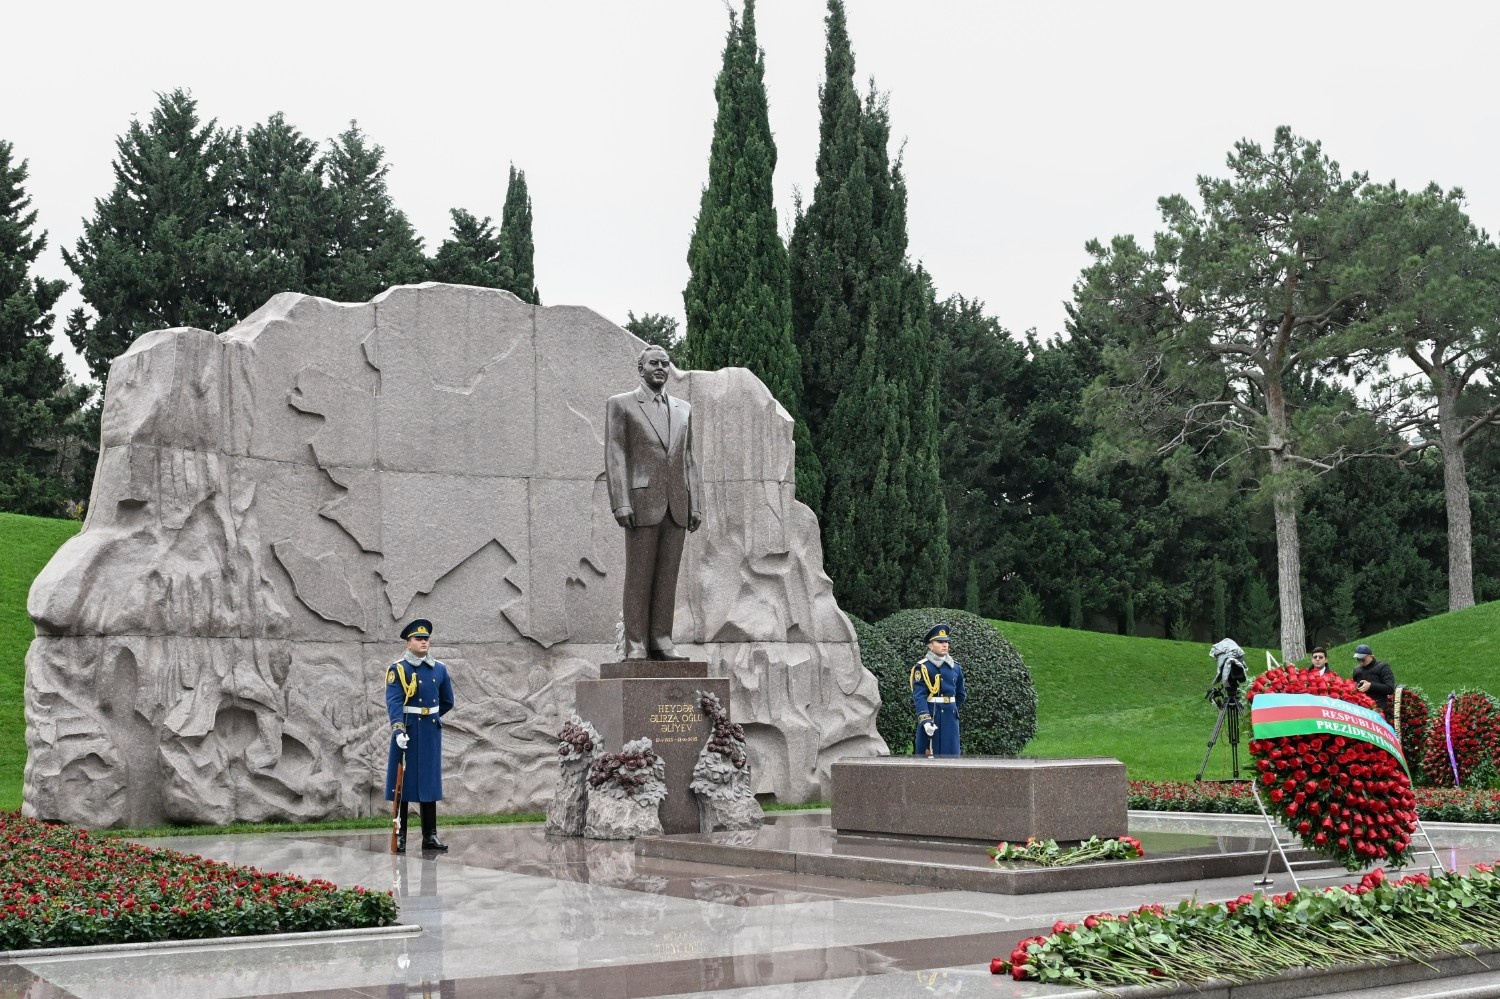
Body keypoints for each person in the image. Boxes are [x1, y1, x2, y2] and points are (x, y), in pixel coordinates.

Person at [605, 345, 702, 660]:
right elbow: (616, 453)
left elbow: (688, 459)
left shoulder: (683, 409)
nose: (661, 367)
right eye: (654, 363)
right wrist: (620, 501)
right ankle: (635, 643)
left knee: (667, 577)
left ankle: (662, 639)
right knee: (639, 576)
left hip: (677, 504)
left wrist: (696, 504)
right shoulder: (621, 404)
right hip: (641, 503)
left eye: (665, 363)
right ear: (641, 369)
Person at [386, 619, 456, 853]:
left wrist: (430, 716)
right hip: (407, 731)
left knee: (429, 783)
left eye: (426, 639)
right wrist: (398, 729)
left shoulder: (439, 669)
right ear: (409, 643)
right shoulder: (398, 669)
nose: (424, 642)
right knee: (403, 786)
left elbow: (447, 701)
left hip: (429, 732)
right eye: (419, 639)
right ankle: (401, 835)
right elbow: (394, 701)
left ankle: (430, 835)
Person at [910, 623, 966, 756]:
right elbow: (919, 696)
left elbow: (961, 695)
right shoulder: (923, 667)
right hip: (932, 717)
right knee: (928, 757)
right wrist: (925, 720)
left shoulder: (955, 667)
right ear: (930, 645)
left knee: (952, 756)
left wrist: (950, 707)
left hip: (950, 718)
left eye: (946, 642)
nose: (945, 645)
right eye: (940, 642)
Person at [1351, 643, 1396, 719]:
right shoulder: (1357, 670)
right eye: (1358, 659)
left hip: (1380, 707)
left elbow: (1390, 688)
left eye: (1363, 659)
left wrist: (1371, 686)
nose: (1361, 662)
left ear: (1371, 656)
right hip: (1362, 709)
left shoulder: (1383, 667)